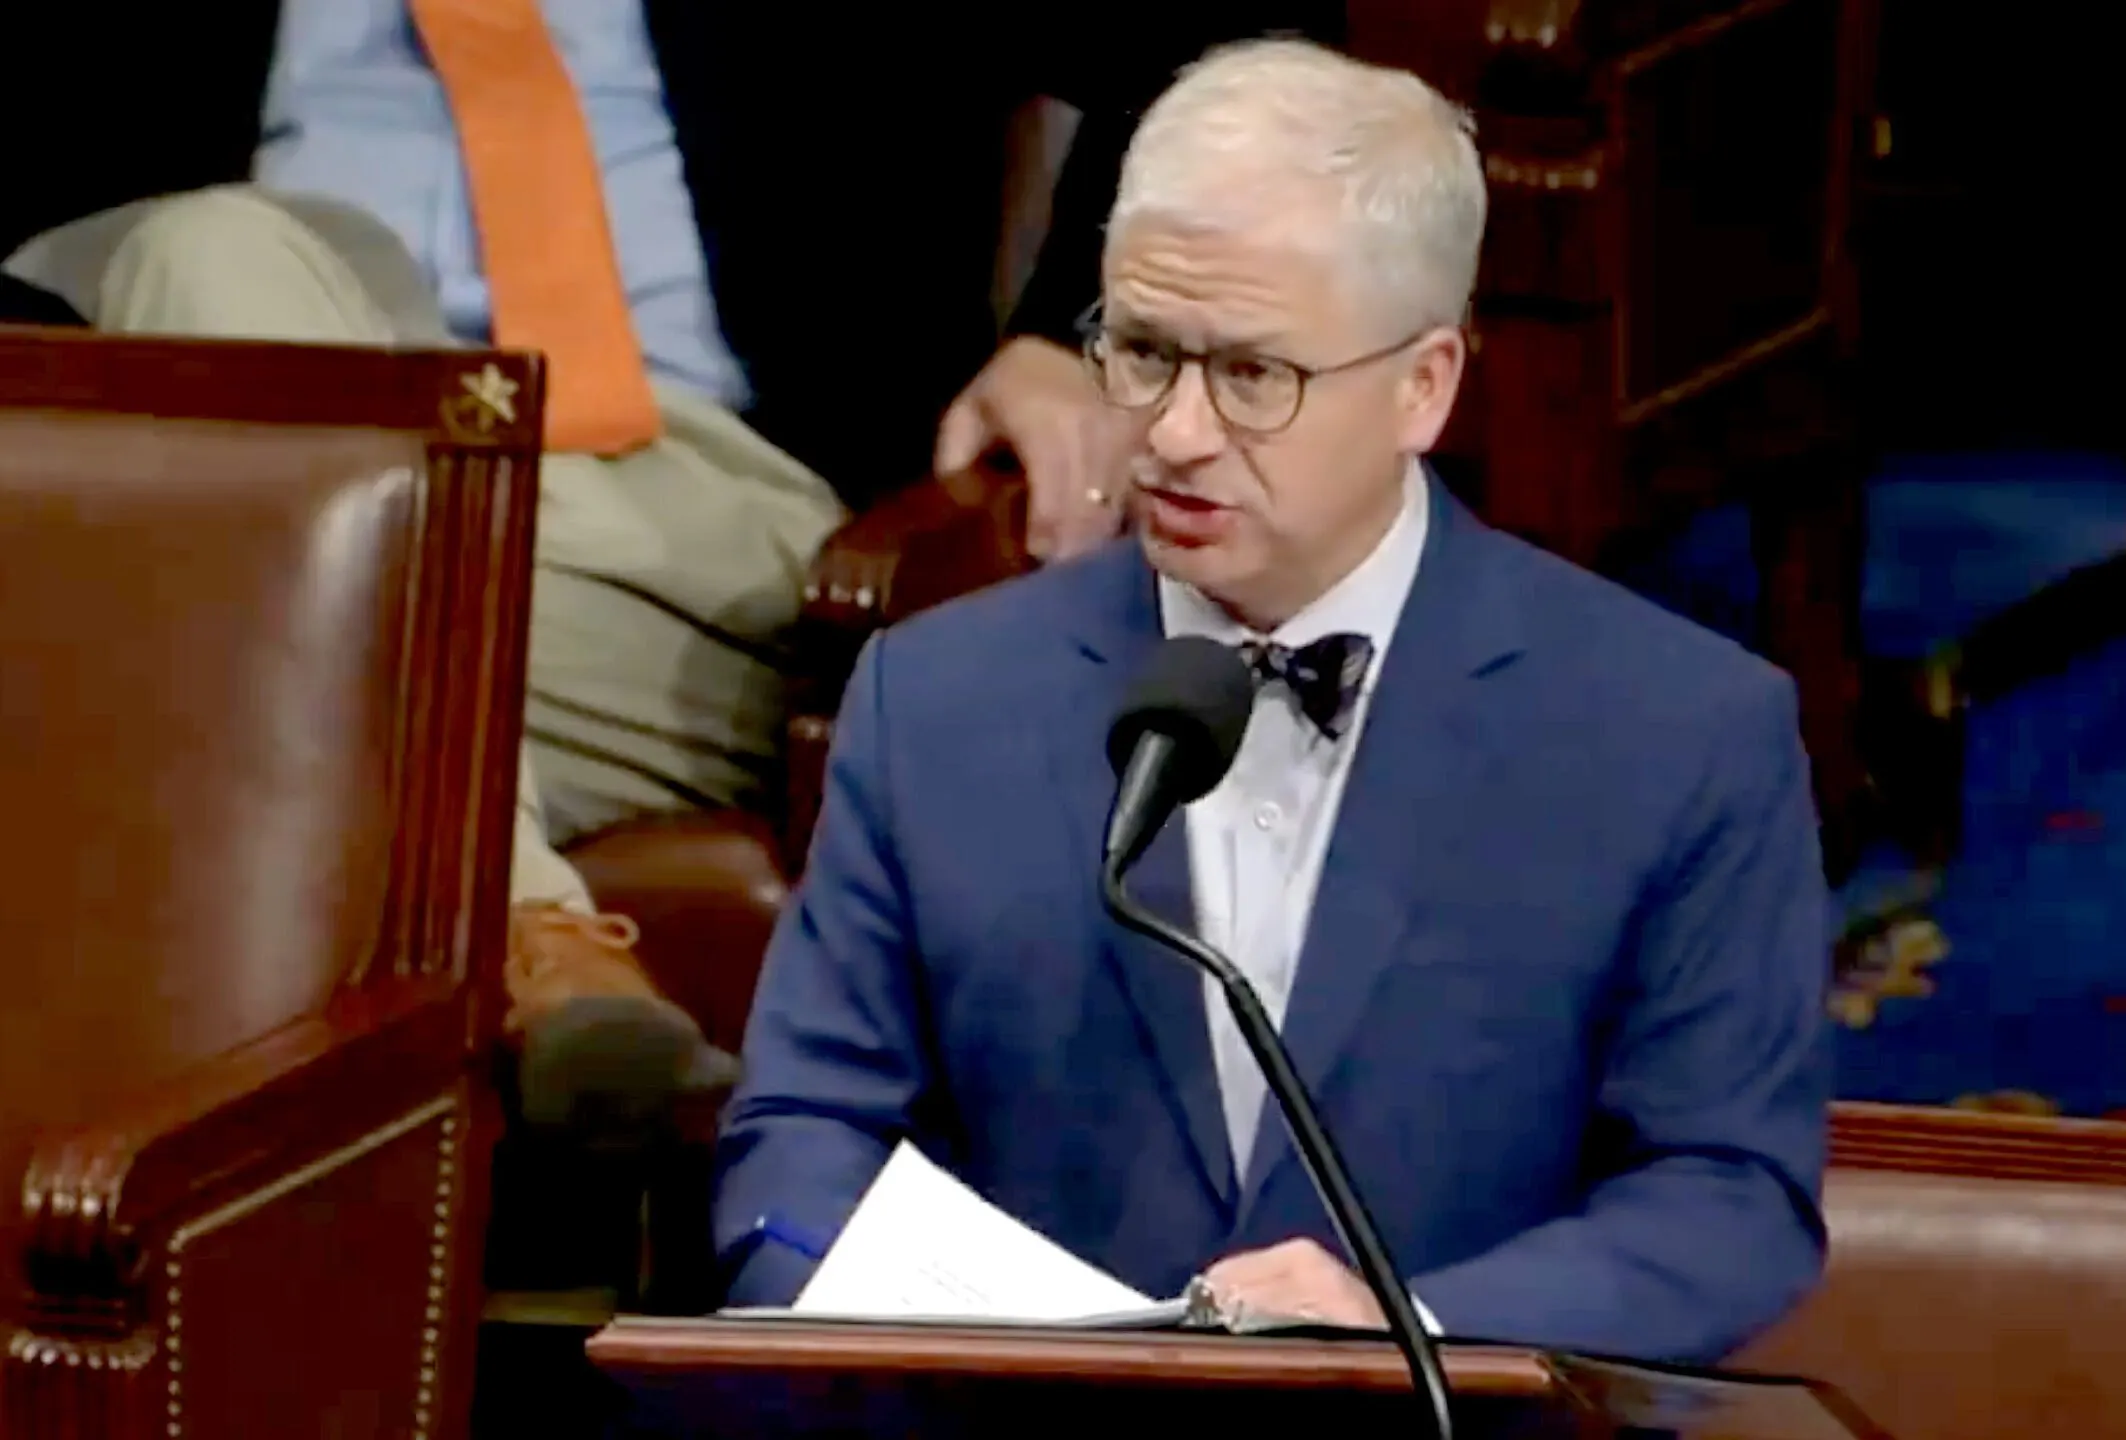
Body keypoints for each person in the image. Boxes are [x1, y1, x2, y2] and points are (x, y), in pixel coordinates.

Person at [715, 40, 1831, 1363]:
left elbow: (1727, 1201)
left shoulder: (1682, 733)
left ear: (1426, 384)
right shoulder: (936, 699)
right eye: (1140, 352)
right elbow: (797, 1137)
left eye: (1252, 375)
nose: (1176, 432)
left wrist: (1406, 1330)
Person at [0, 0, 1343, 1093]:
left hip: (703, 504)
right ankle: (539, 939)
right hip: (298, 514)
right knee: (213, 263)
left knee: (191, 652)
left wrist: (1082, 330)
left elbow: (1242, 38)